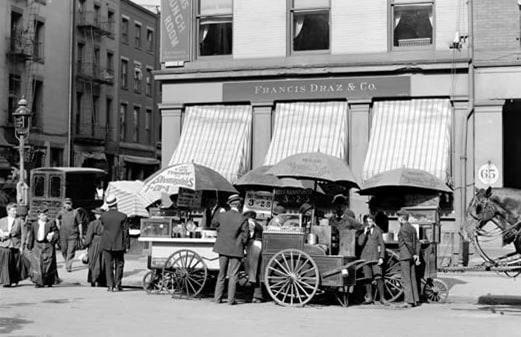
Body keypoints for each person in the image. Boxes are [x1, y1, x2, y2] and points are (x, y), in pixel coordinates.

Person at [212, 194, 249, 305]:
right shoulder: (242, 218)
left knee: (221, 274)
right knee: (233, 276)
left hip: (222, 248)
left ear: (230, 204)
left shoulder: (222, 215)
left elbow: (214, 223)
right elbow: (245, 236)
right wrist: (243, 243)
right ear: (239, 205)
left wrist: (220, 231)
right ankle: (230, 300)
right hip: (236, 250)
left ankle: (217, 299)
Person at [26, 207, 60, 288]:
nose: (45, 216)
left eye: (46, 215)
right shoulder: (34, 224)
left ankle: (48, 281)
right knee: (37, 264)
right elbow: (31, 235)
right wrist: (29, 246)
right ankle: (38, 282)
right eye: (43, 215)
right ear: (39, 216)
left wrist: (53, 236)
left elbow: (56, 233)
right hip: (37, 245)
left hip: (48, 245)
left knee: (49, 263)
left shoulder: (51, 223)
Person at [100, 195, 129, 292]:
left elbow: (103, 228)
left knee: (108, 264)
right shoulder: (123, 216)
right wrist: (127, 245)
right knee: (119, 264)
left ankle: (110, 285)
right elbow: (125, 232)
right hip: (119, 243)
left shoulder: (103, 216)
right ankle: (117, 284)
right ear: (116, 204)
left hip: (107, 243)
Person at [358, 214, 387, 304]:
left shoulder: (378, 231)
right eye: (367, 222)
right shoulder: (362, 232)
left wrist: (381, 257)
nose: (369, 223)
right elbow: (360, 243)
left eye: (370, 221)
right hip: (365, 258)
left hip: (375, 257)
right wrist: (364, 233)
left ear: (373, 222)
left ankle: (382, 298)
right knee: (367, 278)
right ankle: (369, 297)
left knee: (378, 276)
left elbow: (382, 245)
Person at [397, 208, 420, 308]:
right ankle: (415, 299)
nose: (397, 218)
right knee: (412, 277)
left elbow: (408, 243)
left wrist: (414, 253)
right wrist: (416, 254)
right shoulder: (412, 228)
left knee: (406, 279)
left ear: (402, 218)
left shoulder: (403, 229)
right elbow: (417, 242)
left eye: (398, 217)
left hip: (405, 255)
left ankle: (408, 301)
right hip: (411, 256)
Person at [0, 203, 26, 287]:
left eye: (16, 210)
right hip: (4, 244)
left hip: (15, 245)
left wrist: (22, 246)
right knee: (5, 264)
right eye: (13, 210)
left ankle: (14, 280)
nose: (15, 212)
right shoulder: (2, 220)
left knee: (14, 264)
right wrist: (1, 235)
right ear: (8, 210)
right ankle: (6, 281)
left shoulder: (20, 221)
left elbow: (23, 235)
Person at [56, 198, 84, 272]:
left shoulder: (75, 212)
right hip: (63, 235)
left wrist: (80, 233)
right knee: (63, 250)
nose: (68, 205)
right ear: (64, 205)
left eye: (69, 204)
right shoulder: (61, 212)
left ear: (71, 204)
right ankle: (67, 260)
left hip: (73, 235)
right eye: (66, 203)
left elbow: (79, 224)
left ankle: (68, 266)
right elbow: (57, 218)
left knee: (71, 251)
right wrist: (58, 225)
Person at [243, 210, 264, 303]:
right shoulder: (256, 223)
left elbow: (249, 235)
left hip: (254, 245)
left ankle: (256, 294)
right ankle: (257, 295)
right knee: (256, 271)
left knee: (253, 270)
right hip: (258, 244)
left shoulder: (250, 223)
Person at [85, 207, 106, 287]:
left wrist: (87, 245)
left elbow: (88, 236)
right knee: (102, 261)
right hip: (104, 242)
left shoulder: (93, 223)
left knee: (94, 261)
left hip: (94, 243)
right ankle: (102, 280)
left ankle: (94, 278)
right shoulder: (106, 223)